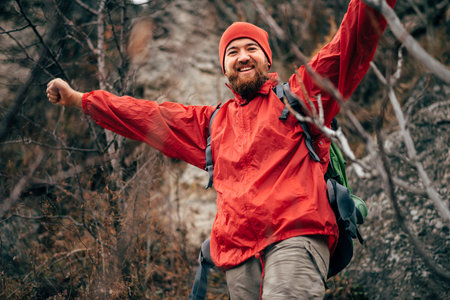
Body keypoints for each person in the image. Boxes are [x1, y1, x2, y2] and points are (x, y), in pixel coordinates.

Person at [47, 0, 396, 298]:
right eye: (232, 52)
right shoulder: (212, 124)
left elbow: (351, 41)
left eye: (251, 49)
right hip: (238, 257)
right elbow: (147, 115)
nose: (242, 57)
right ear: (224, 69)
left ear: (267, 60)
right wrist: (81, 100)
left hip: (295, 236)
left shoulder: (300, 98)